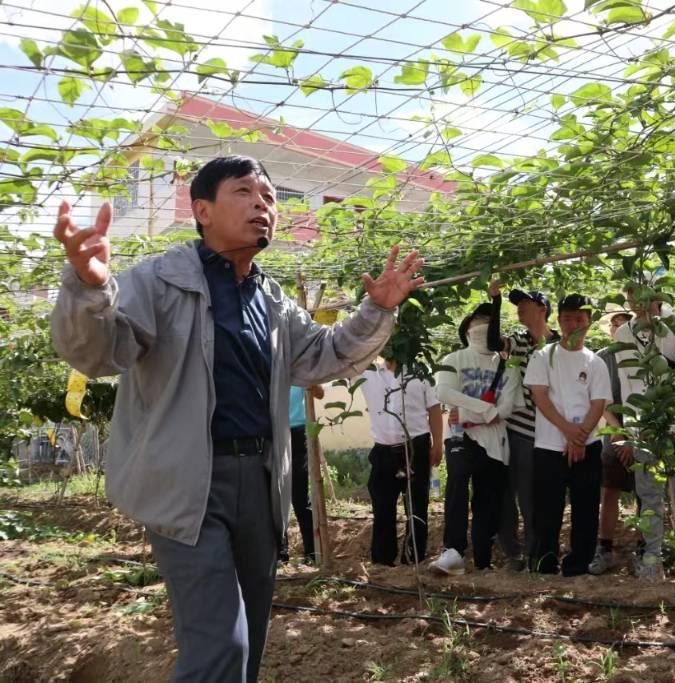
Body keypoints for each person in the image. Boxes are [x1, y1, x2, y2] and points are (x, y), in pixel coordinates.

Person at [50, 155, 422, 682]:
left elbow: (322, 355)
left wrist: (377, 309)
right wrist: (88, 288)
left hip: (262, 480)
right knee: (219, 644)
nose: (263, 205)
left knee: (249, 641)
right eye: (245, 193)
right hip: (188, 483)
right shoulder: (156, 281)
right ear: (201, 209)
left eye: (269, 197)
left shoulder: (269, 299)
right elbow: (98, 354)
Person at [608, 286, 675, 581]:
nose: (638, 302)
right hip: (644, 429)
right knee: (649, 500)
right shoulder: (623, 334)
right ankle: (652, 563)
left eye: (645, 295)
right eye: (633, 295)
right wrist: (632, 427)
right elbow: (627, 383)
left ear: (659, 297)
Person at [430, 303, 522, 575]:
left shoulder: (509, 366)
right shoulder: (452, 360)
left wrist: (468, 413)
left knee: (487, 497)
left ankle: (483, 558)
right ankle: (453, 550)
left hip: (495, 442)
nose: (483, 328)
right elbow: (444, 393)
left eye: (489, 323)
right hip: (461, 436)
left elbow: (505, 409)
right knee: (457, 484)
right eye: (477, 323)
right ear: (467, 331)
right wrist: (483, 410)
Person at [525, 294, 612, 576]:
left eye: (579, 318)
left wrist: (581, 436)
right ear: (558, 320)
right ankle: (544, 562)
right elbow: (540, 397)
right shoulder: (543, 356)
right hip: (549, 444)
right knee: (547, 508)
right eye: (566, 318)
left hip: (588, 445)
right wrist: (569, 432)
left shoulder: (595, 362)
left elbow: (598, 402)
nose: (572, 324)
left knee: (585, 507)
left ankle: (579, 564)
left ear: (589, 321)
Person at [486, 283, 560, 570]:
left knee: (533, 494)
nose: (518, 308)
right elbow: (494, 342)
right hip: (518, 429)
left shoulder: (558, 344)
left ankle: (533, 552)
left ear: (542, 309)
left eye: (525, 304)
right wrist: (495, 301)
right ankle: (514, 553)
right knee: (508, 493)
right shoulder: (518, 341)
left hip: (550, 429)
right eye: (516, 304)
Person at [359, 356, 443, 566]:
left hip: (415, 447)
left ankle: (413, 558)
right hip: (383, 449)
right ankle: (382, 560)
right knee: (382, 505)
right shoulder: (367, 371)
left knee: (416, 505)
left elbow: (434, 408)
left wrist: (437, 443)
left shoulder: (420, 371)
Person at [587, 310, 638, 575]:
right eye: (614, 324)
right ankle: (604, 549)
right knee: (609, 491)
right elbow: (599, 399)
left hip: (643, 435)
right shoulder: (601, 358)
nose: (619, 328)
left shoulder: (644, 354)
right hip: (613, 436)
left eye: (624, 323)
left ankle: (646, 552)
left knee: (646, 492)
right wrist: (619, 432)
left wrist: (634, 434)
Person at [288, 383, 325, 564]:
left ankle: (311, 552)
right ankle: (281, 554)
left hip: (299, 433)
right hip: (276, 434)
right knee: (277, 497)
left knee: (300, 497)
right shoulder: (270, 367)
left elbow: (320, 393)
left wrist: (311, 381)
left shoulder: (299, 369)